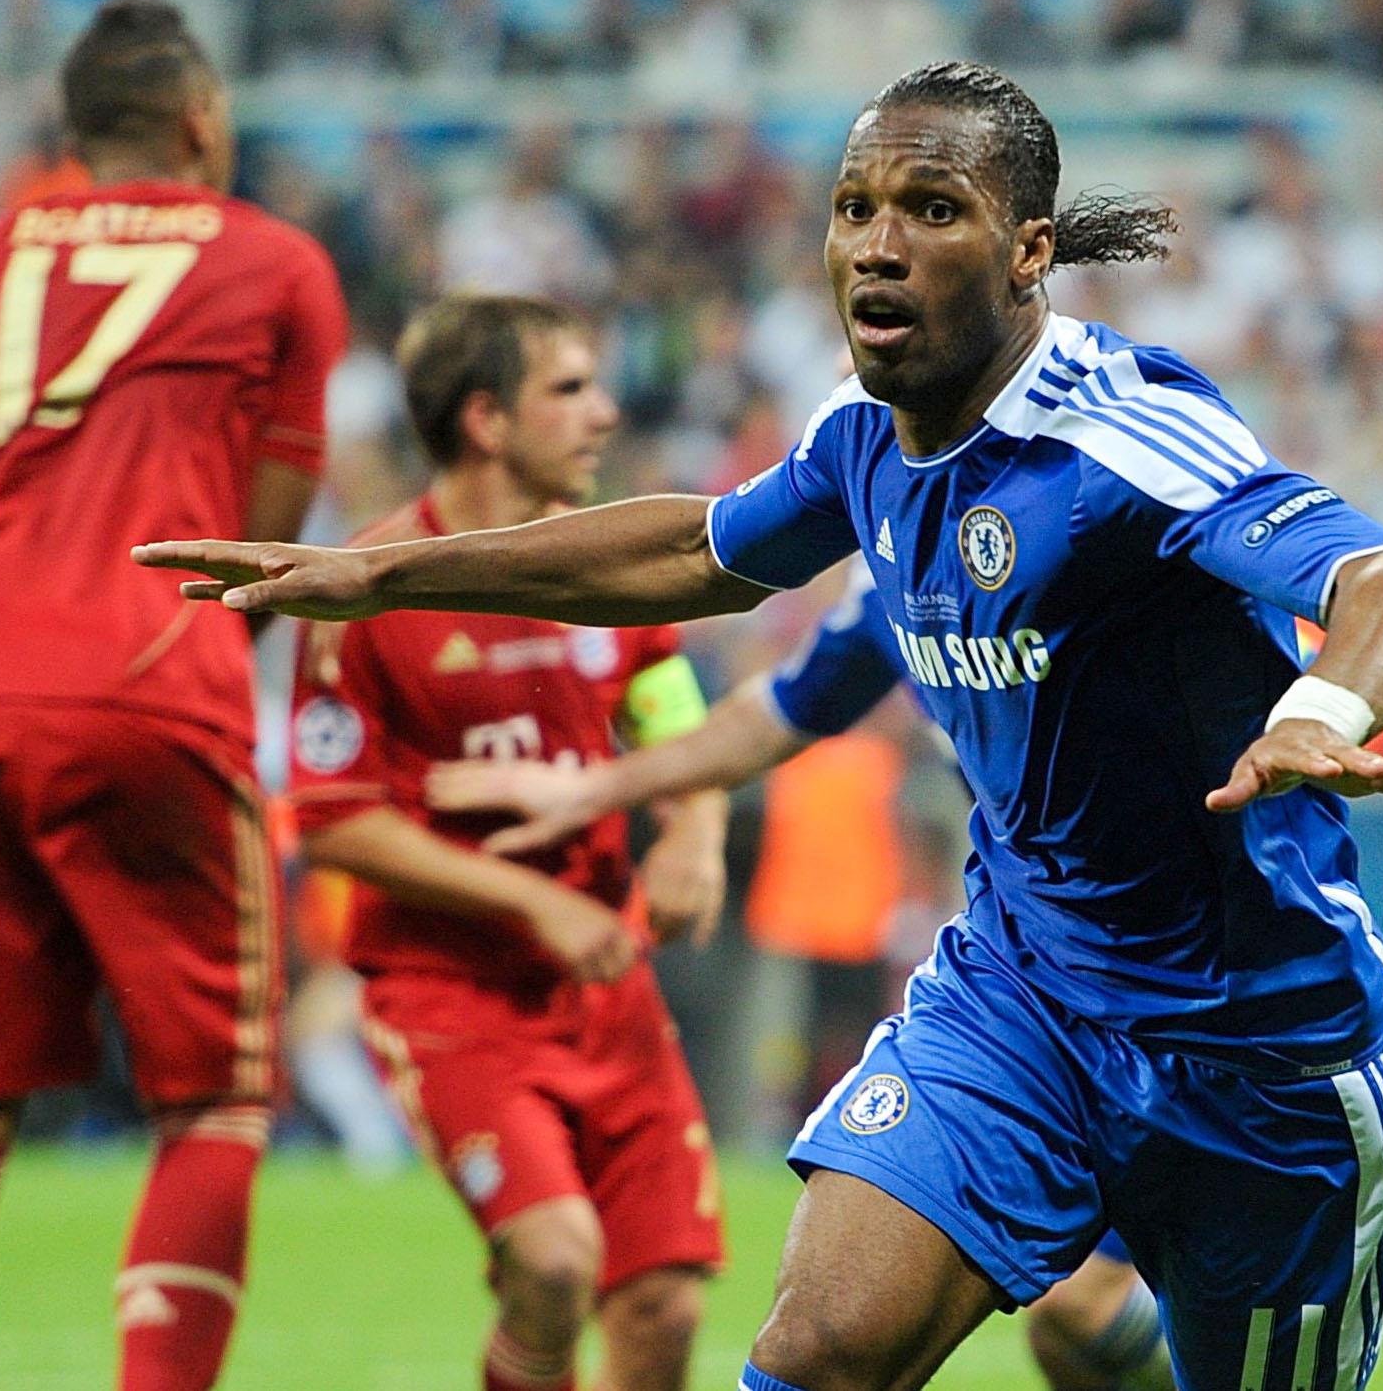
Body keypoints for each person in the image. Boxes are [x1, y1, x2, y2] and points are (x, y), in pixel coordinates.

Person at [140, 61, 1383, 1391]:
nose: (876, 248)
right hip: (1023, 1001)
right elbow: (697, 554)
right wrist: (383, 575)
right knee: (814, 1350)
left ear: (1028, 251)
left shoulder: (1118, 438)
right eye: (853, 207)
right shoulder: (860, 441)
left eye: (931, 210)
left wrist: (1318, 706)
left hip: (1260, 1050)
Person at [428, 558, 1176, 1391]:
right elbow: (729, 606)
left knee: (1079, 1321)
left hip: (1205, 1018)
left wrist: (1323, 704)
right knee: (826, 1340)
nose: (601, 416)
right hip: (1003, 994)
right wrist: (629, 796)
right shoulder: (892, 590)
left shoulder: (1111, 541)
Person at [0, 0, 347, 1391]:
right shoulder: (279, 260)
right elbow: (261, 540)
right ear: (198, 120)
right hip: (152, 679)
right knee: (216, 1091)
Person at [286, 295, 727, 1391]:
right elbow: (335, 822)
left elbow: (664, 691)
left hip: (606, 986)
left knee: (666, 1306)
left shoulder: (601, 563)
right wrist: (537, 901)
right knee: (552, 1260)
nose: (606, 412)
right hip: (452, 996)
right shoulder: (372, 586)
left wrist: (697, 825)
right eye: (571, 389)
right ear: (486, 419)